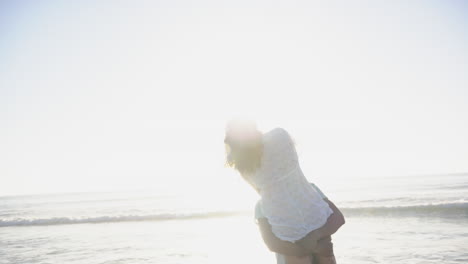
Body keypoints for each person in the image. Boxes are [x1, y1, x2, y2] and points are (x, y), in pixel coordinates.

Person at [224, 120, 344, 263]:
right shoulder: (311, 191)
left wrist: (307, 245)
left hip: (296, 256)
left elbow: (272, 244)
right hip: (321, 250)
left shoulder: (262, 204)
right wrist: (315, 242)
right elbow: (337, 218)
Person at [255, 182, 344, 264]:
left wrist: (316, 235)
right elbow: (272, 244)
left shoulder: (309, 189)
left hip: (324, 257)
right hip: (302, 257)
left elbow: (338, 218)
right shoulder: (262, 204)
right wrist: (314, 248)